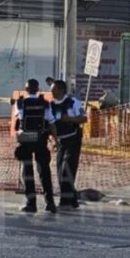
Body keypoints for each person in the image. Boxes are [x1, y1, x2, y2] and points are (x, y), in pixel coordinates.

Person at [15, 79, 58, 214]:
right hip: (41, 139)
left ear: (26, 90)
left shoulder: (21, 103)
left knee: (27, 172)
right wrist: (55, 140)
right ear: (38, 89)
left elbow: (19, 119)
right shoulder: (45, 103)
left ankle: (31, 204)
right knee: (44, 171)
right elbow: (51, 122)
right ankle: (50, 203)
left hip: (26, 141)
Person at [50, 79, 88, 209]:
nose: (51, 92)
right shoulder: (52, 105)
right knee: (60, 171)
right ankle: (72, 200)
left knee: (67, 169)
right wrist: (53, 140)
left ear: (61, 90)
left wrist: (70, 119)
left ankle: (65, 202)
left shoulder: (74, 103)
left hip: (73, 139)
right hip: (60, 141)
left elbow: (84, 118)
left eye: (53, 90)